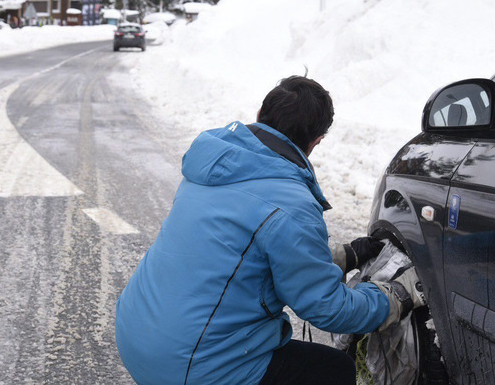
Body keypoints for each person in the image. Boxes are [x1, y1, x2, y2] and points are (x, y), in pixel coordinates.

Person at [114, 76, 425, 385]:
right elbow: (328, 309)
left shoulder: (216, 165)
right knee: (334, 370)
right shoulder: (290, 203)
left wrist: (341, 257)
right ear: (316, 141)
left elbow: (236, 252)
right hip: (190, 365)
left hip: (137, 334)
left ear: (260, 113)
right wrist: (396, 297)